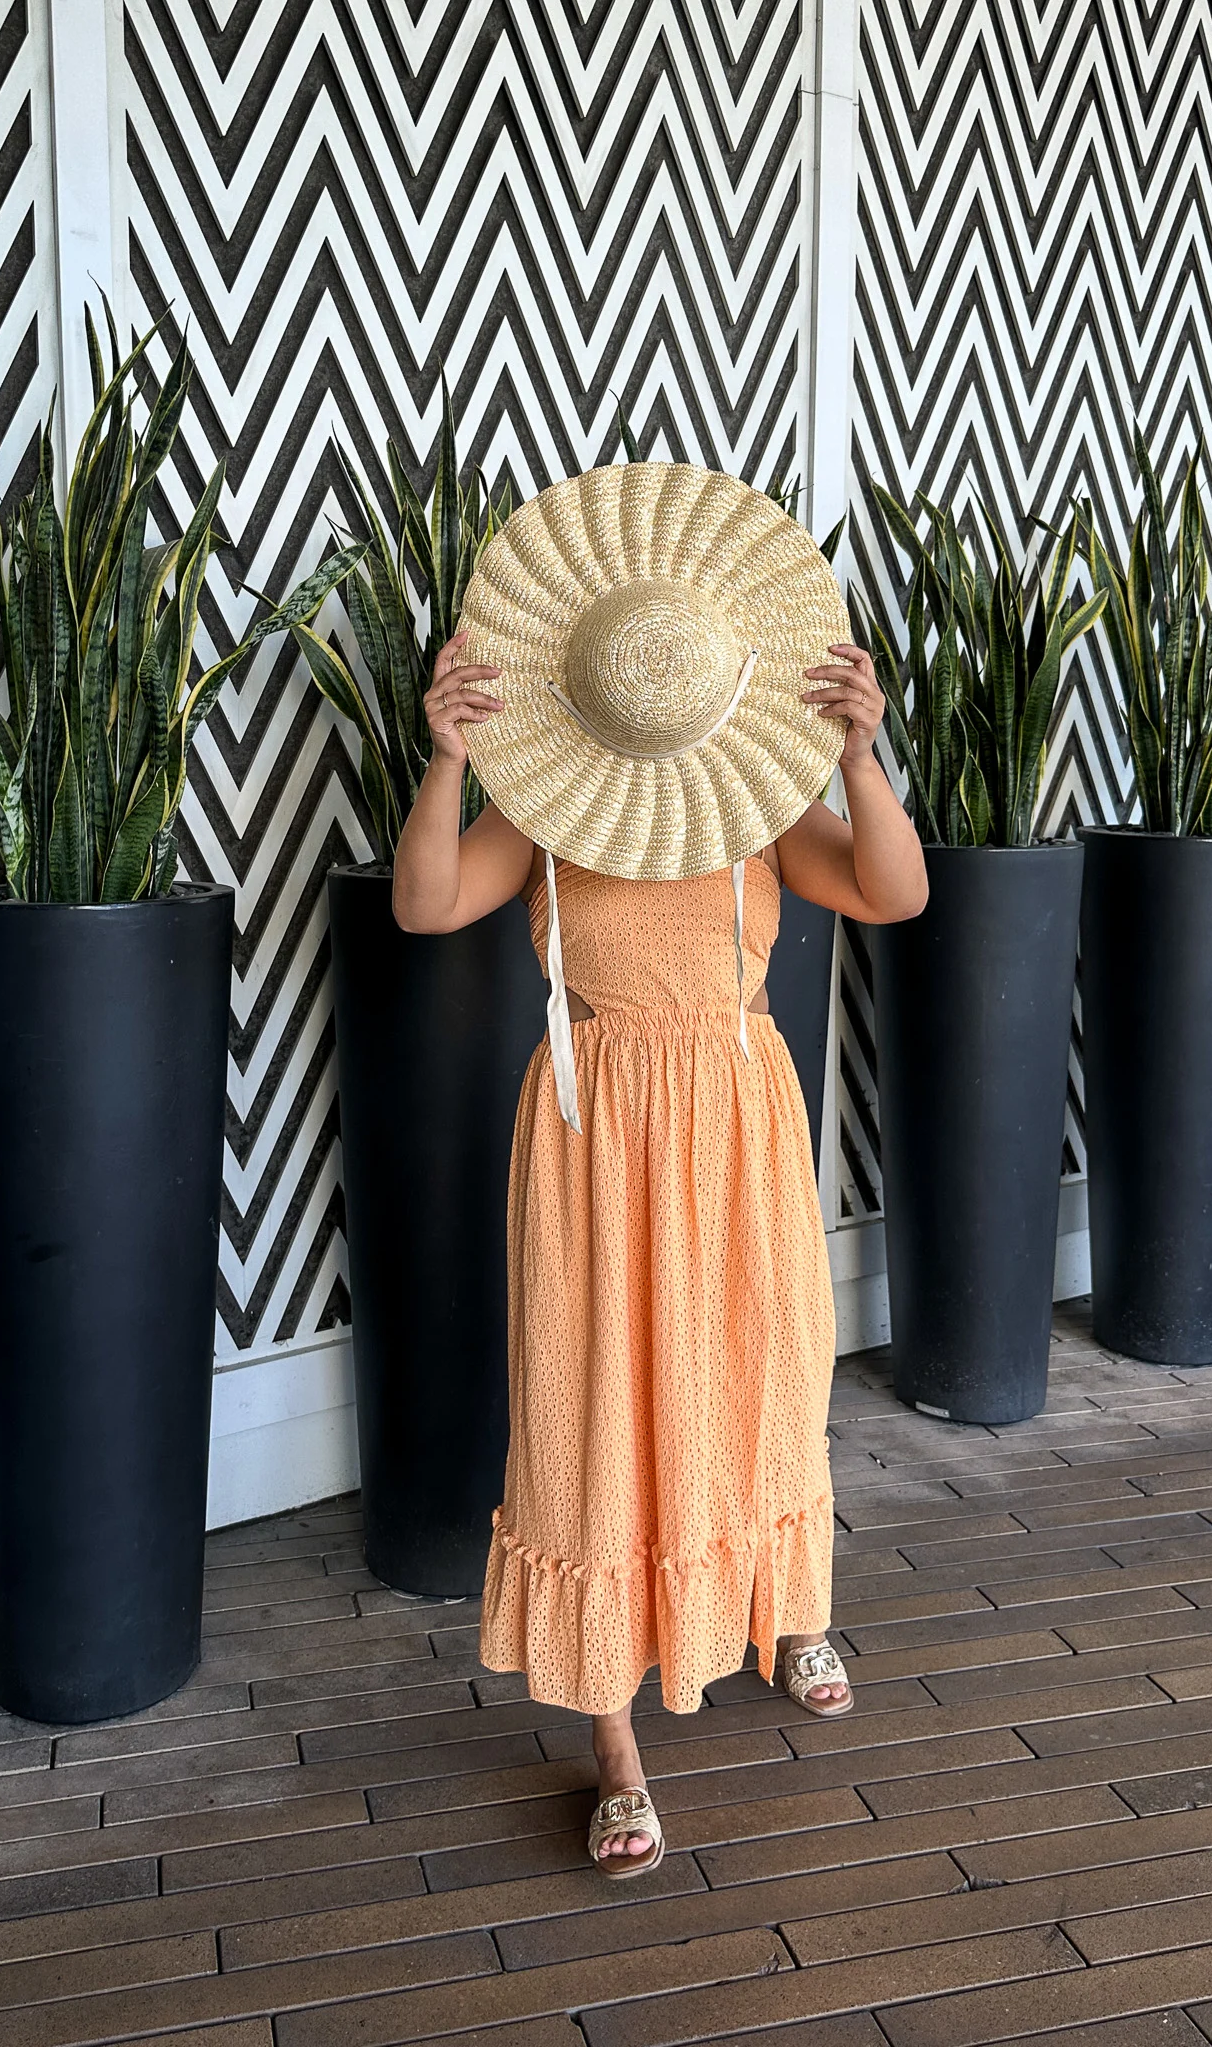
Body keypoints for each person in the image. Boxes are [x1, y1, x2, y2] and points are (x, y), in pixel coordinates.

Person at [392, 464, 927, 1877]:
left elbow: (895, 891)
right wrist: (446, 758)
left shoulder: (755, 818)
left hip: (736, 1128)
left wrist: (858, 760)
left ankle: (780, 1607)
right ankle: (614, 1748)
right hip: (592, 1138)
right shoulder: (551, 823)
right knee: (597, 1414)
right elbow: (425, 901)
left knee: (759, 1374)